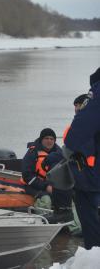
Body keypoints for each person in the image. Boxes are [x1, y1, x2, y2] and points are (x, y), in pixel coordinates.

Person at [64, 67, 100, 249]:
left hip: (90, 178)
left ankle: (94, 253)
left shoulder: (97, 94)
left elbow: (74, 139)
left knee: (88, 212)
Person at [21, 128, 73, 223]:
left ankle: (71, 224)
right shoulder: (32, 152)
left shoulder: (59, 153)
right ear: (41, 140)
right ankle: (43, 222)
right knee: (46, 200)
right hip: (34, 186)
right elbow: (26, 175)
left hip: (55, 186)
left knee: (71, 200)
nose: (49, 141)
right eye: (46, 138)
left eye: (52, 139)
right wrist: (45, 186)